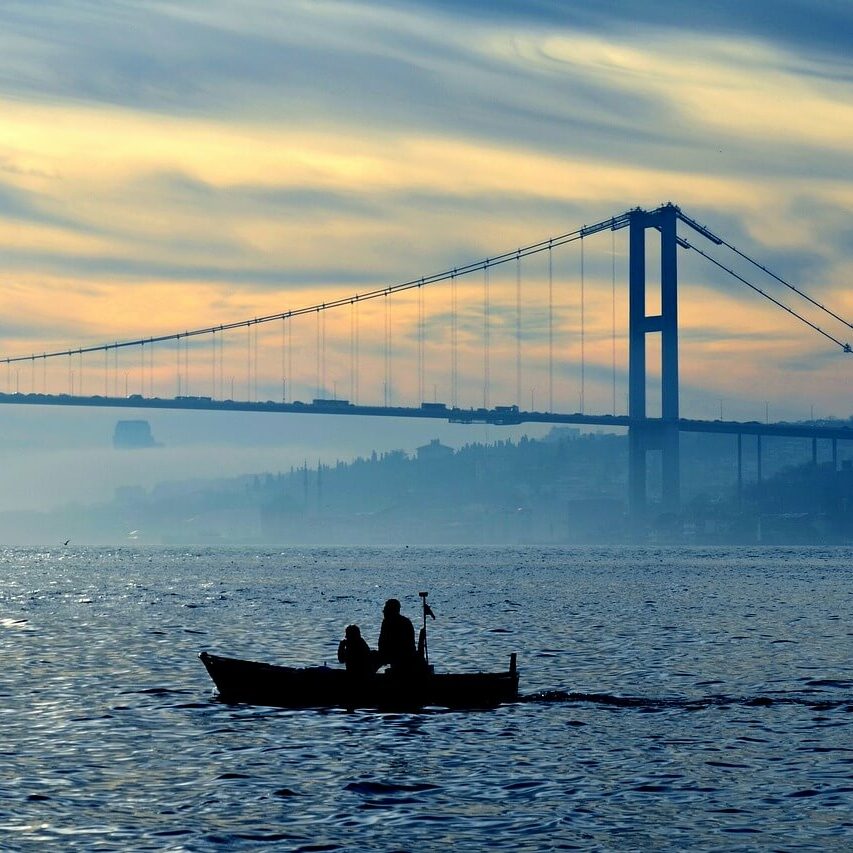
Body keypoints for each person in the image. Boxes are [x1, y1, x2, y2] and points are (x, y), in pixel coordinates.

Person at [377, 598, 419, 672]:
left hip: (401, 656)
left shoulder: (393, 623)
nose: (383, 612)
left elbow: (384, 642)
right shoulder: (403, 621)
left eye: (386, 610)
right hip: (397, 654)